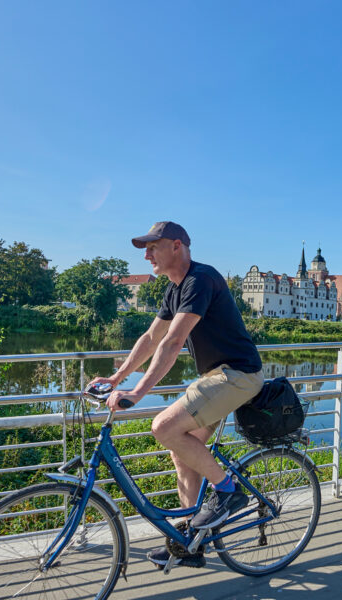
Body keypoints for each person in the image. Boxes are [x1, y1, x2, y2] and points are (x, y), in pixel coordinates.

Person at [88, 221, 264, 568]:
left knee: (163, 427)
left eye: (154, 246)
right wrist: (116, 376)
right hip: (215, 377)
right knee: (182, 450)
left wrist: (137, 392)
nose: (147, 254)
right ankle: (190, 543)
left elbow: (172, 342)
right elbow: (151, 338)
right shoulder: (175, 288)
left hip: (238, 375)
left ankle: (228, 491)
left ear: (178, 247)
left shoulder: (201, 280)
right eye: (145, 248)